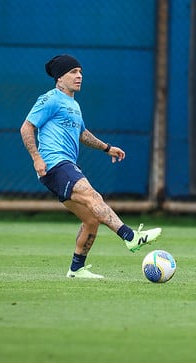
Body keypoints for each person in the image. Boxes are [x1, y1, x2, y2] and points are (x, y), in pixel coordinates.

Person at [20, 54, 161, 279]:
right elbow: (26, 128)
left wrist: (107, 148)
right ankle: (130, 237)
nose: (79, 76)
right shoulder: (50, 99)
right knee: (92, 196)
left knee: (91, 219)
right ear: (59, 78)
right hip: (56, 164)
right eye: (73, 72)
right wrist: (36, 157)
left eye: (81, 72)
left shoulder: (73, 104)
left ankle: (76, 269)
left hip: (63, 166)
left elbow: (82, 134)